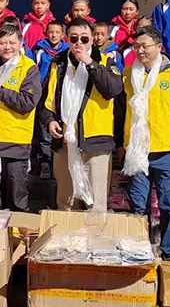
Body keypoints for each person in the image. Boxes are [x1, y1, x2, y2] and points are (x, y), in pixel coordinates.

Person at [117, 26, 170, 262]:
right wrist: (121, 144)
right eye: (136, 46)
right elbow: (120, 112)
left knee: (169, 203)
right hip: (137, 151)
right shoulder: (128, 74)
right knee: (138, 204)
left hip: (166, 150)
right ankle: (140, 251)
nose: (140, 51)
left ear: (159, 47)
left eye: (145, 46)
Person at [39, 17, 123, 212]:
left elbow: (113, 89)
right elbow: (45, 101)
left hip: (95, 142)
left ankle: (95, 233)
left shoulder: (105, 62)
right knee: (66, 203)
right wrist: (50, 120)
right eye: (74, 38)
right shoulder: (57, 64)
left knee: (95, 204)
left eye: (84, 39)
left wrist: (90, 62)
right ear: (66, 39)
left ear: (92, 39)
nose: (79, 43)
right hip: (65, 143)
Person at [0, 25, 42, 212]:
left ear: (21, 43)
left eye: (12, 42)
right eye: (3, 43)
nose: (7, 47)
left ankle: (18, 230)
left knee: (16, 196)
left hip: (15, 141)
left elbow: (27, 102)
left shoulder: (28, 68)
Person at [29, 20, 66, 181]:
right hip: (42, 93)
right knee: (44, 132)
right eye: (51, 32)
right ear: (45, 33)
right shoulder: (38, 51)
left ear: (63, 34)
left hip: (60, 95)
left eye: (57, 32)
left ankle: (59, 166)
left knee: (60, 131)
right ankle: (45, 163)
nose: (54, 35)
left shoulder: (67, 51)